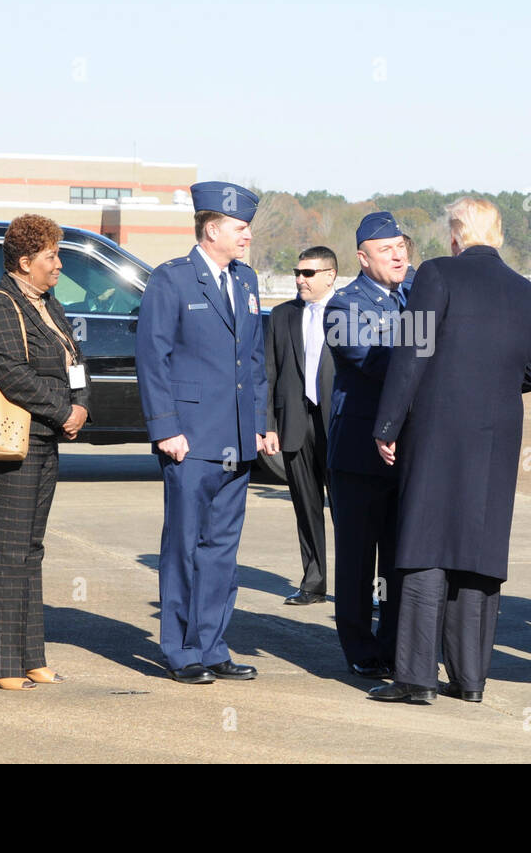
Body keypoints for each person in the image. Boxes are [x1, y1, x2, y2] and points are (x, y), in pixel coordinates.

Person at [367, 198, 531, 704]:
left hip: (436, 431)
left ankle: (416, 678)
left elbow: (412, 352)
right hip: (496, 437)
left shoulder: (437, 274)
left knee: (426, 545)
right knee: (478, 552)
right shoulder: (528, 293)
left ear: (455, 235)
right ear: (499, 236)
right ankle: (470, 680)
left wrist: (387, 424)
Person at [137, 182, 274, 684]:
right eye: (241, 228)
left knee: (222, 549)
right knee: (184, 546)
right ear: (212, 228)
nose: (248, 237)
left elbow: (255, 361)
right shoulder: (171, 281)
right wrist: (166, 429)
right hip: (189, 441)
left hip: (236, 439)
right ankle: (181, 650)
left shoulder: (247, 281)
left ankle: (213, 645)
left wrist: (260, 426)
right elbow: (154, 361)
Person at [0, 213, 89, 690]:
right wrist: (63, 410)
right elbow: (9, 372)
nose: (58, 264)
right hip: (14, 443)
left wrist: (81, 403)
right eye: (51, 256)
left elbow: (73, 358)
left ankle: (30, 654)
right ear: (25, 262)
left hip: (45, 439)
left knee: (32, 549)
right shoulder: (2, 304)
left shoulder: (47, 303)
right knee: (9, 548)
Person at [324, 212, 411, 679]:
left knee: (401, 556)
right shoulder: (345, 306)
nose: (398, 255)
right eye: (385, 249)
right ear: (362, 258)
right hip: (359, 453)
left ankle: (397, 644)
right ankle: (360, 645)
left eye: (401, 246)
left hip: (407, 452)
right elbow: (377, 361)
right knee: (358, 559)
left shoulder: (415, 294)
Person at [266, 246, 337, 605]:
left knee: (349, 513)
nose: (299, 280)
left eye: (308, 274)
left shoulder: (350, 313)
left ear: (330, 276)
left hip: (339, 426)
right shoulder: (282, 315)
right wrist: (268, 425)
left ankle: (361, 589)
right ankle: (313, 583)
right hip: (296, 422)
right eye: (297, 272)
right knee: (306, 508)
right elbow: (269, 372)